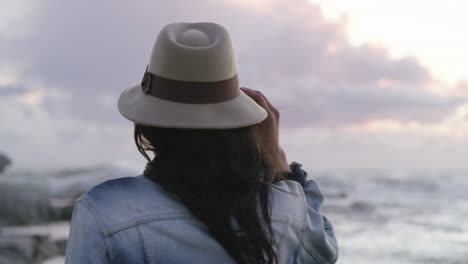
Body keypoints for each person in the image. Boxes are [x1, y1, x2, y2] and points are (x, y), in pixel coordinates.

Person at [65, 22, 338, 264]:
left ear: (147, 126)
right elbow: (323, 255)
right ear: (237, 125)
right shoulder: (287, 208)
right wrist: (278, 162)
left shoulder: (104, 210)